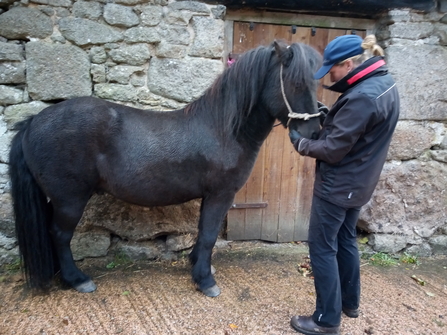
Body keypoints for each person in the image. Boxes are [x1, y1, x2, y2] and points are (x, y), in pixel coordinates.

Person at [289, 34, 400, 335]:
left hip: (338, 186)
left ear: (348, 64)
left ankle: (326, 320)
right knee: (345, 239)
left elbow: (333, 150)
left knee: (322, 247)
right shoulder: (384, 84)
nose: (329, 76)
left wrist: (301, 144)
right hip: (359, 183)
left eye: (332, 70)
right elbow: (359, 134)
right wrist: (331, 118)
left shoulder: (362, 96)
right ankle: (349, 304)